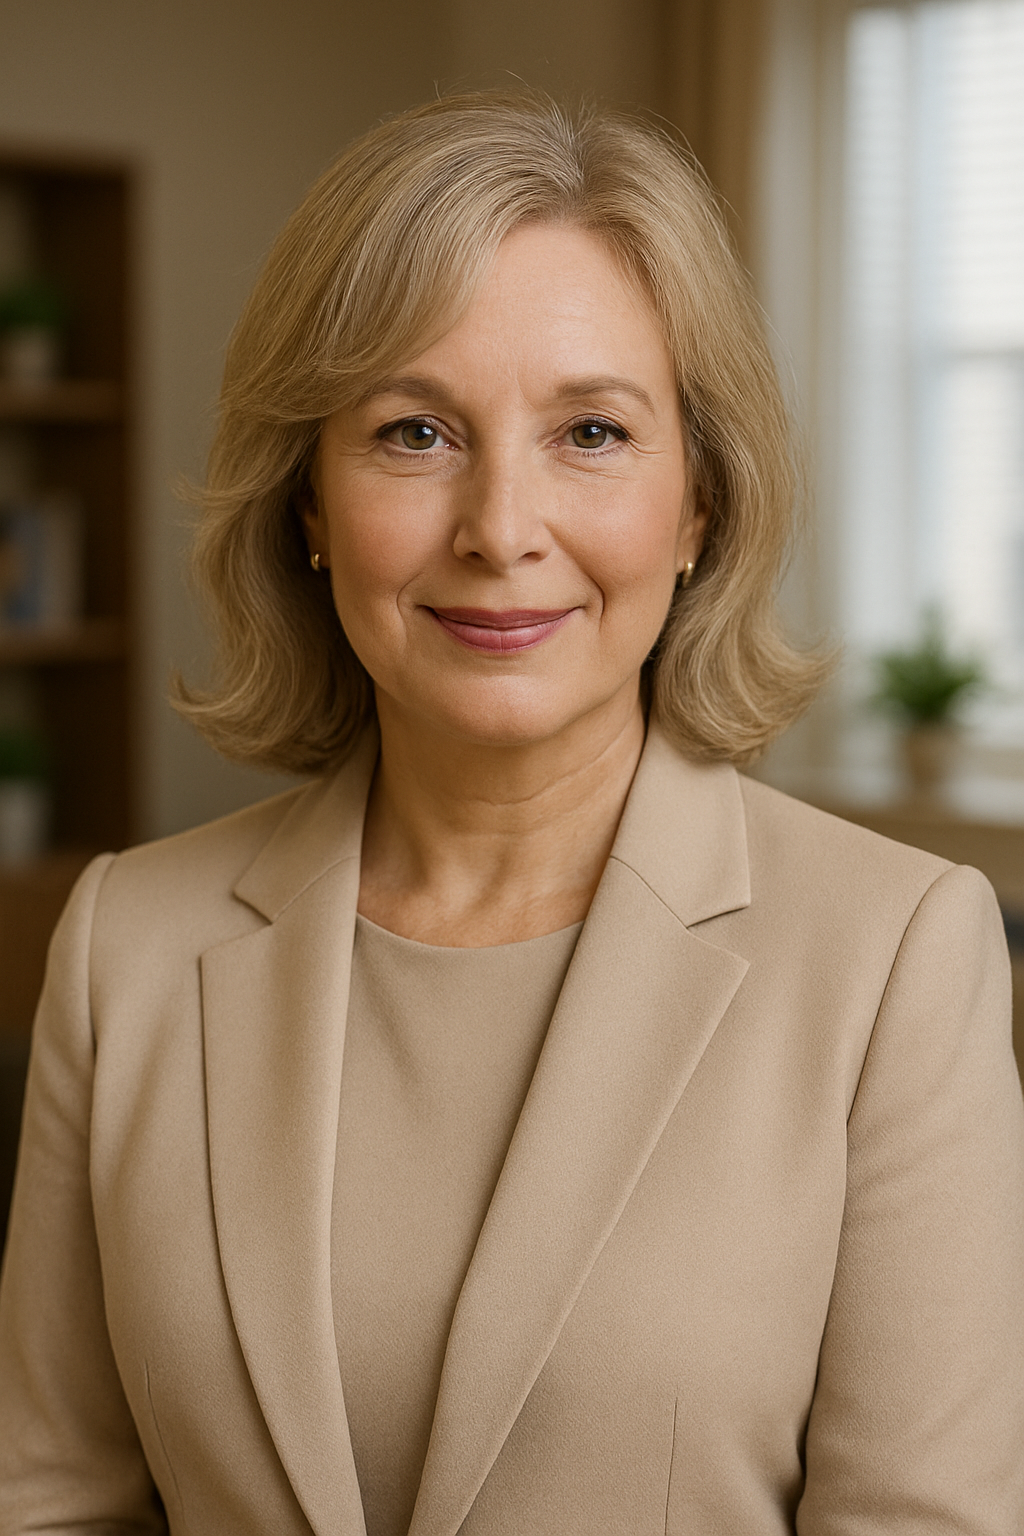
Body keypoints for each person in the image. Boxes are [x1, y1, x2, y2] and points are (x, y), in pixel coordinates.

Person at [1, 90, 1022, 1536]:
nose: (499, 527)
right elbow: (45, 1506)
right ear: (308, 502)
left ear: (699, 508)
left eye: (592, 431)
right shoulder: (124, 947)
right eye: (414, 432)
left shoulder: (896, 959)